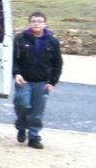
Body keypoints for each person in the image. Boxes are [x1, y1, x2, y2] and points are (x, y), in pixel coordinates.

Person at [12, 11, 62, 149]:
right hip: (24, 81)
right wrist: (16, 74)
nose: (36, 24)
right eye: (34, 21)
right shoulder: (20, 39)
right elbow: (13, 59)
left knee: (37, 112)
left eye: (39, 21)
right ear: (29, 23)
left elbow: (57, 63)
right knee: (21, 103)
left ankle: (34, 137)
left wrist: (52, 82)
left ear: (45, 24)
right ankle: (22, 126)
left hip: (42, 83)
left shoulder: (52, 41)